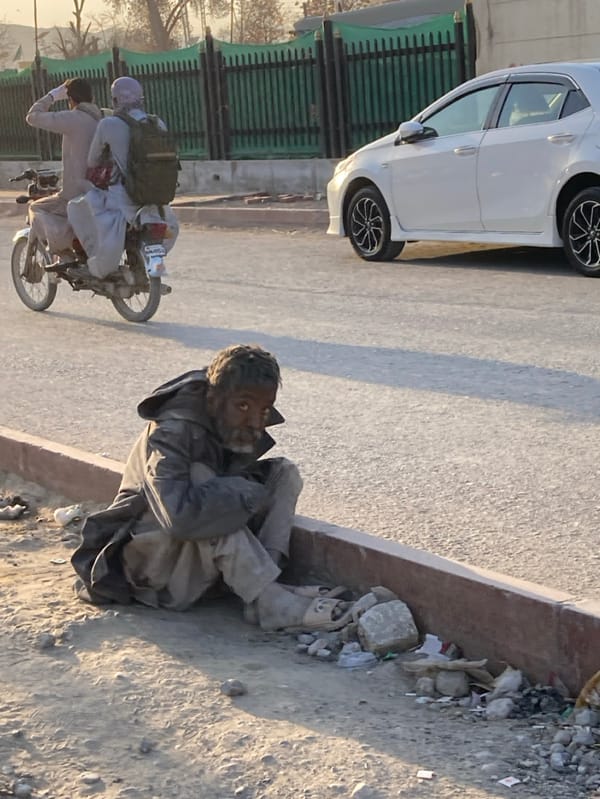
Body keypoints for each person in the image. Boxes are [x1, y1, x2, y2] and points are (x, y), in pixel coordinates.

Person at [71, 344, 353, 633]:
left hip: (194, 563)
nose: (256, 421)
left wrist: (241, 491)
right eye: (243, 406)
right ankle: (270, 601)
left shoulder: (228, 424)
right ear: (214, 398)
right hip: (151, 569)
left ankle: (265, 590)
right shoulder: (172, 432)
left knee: (283, 473)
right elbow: (180, 519)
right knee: (206, 484)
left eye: (264, 409)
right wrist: (241, 493)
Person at [67, 76, 179, 280]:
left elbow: (92, 161)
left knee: (78, 208)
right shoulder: (157, 122)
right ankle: (148, 259)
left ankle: (94, 265)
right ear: (140, 98)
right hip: (157, 194)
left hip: (124, 196)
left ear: (115, 100)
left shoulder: (108, 124)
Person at [25, 77, 102, 264]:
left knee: (36, 207)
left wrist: (51, 96)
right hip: (101, 192)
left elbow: (32, 117)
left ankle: (64, 251)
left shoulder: (72, 117)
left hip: (75, 194)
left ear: (70, 99)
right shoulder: (103, 117)